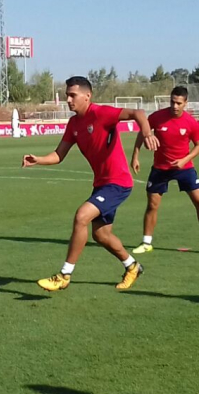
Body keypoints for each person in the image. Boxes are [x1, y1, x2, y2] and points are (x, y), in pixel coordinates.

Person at [23, 76, 158, 291]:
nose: (68, 99)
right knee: (101, 235)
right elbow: (59, 155)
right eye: (67, 94)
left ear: (88, 96)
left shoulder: (101, 113)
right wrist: (38, 159)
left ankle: (64, 275)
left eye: (72, 95)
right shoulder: (74, 123)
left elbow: (138, 113)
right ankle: (132, 266)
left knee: (81, 216)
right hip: (102, 184)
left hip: (118, 183)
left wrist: (147, 132)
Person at [130, 86, 199, 255]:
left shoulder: (191, 122)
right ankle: (146, 243)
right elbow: (142, 133)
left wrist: (184, 160)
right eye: (172, 102)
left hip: (185, 168)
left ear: (185, 103)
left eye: (179, 103)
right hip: (160, 168)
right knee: (152, 205)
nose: (175, 106)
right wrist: (135, 155)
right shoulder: (157, 117)